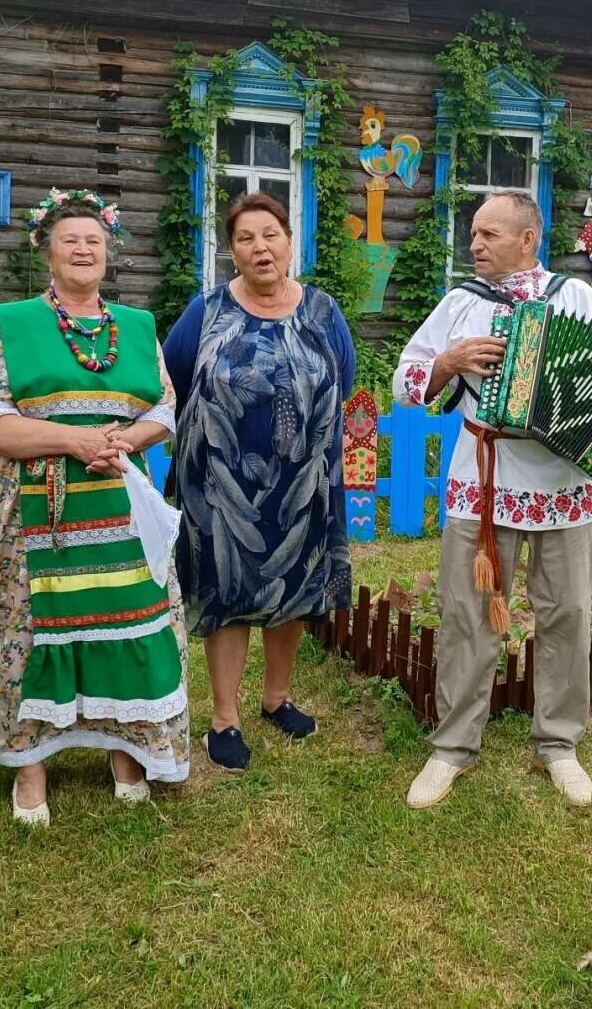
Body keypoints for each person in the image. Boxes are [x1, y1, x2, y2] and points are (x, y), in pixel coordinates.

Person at [393, 192, 592, 809]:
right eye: (474, 233)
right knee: (468, 615)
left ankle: (560, 744)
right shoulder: (462, 304)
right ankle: (452, 747)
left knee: (567, 613)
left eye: (489, 234)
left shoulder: (575, 299)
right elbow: (404, 383)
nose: (475, 244)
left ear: (528, 240)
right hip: (483, 484)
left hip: (567, 487)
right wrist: (449, 361)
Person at [0, 188, 188, 824]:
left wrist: (124, 441)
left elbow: (164, 407)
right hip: (37, 501)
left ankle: (126, 747)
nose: (83, 249)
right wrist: (73, 440)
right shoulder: (17, 322)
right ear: (46, 252)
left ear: (110, 252)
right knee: (28, 627)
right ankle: (30, 763)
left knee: (133, 615)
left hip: (118, 493)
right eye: (69, 240)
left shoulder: (136, 327)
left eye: (94, 240)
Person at [163, 192, 354, 772]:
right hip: (220, 481)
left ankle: (276, 699)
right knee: (227, 592)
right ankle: (224, 719)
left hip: (304, 479)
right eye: (245, 238)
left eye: (269, 233)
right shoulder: (207, 310)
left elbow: (341, 380)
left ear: (289, 240)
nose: (259, 247)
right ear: (232, 251)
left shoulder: (323, 312)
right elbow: (171, 379)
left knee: (293, 586)